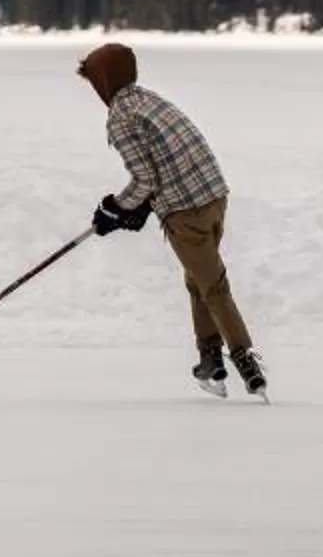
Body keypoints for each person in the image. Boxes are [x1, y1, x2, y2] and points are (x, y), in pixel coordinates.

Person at [79, 41, 267, 399]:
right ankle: (210, 358)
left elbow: (145, 178)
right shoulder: (149, 99)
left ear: (104, 80)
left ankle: (245, 359)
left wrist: (114, 210)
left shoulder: (120, 118)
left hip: (186, 210)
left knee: (213, 286)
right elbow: (167, 159)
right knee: (200, 279)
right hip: (214, 195)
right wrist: (141, 207)